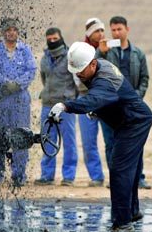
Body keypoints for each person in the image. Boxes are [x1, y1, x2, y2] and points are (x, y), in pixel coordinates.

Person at [49, 42, 152, 232]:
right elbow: (106, 100)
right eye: (76, 72)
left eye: (80, 71)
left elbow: (95, 98)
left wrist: (65, 106)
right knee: (130, 168)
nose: (78, 75)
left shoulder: (104, 77)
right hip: (128, 120)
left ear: (93, 64)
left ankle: (123, 226)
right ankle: (131, 212)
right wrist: (96, 110)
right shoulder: (98, 68)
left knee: (119, 168)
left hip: (134, 122)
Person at [34, 27, 104, 187]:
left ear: (61, 38)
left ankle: (68, 176)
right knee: (47, 139)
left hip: (66, 105)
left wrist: (72, 99)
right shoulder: (45, 58)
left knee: (69, 141)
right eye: (49, 38)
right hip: (48, 104)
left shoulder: (70, 57)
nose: (52, 41)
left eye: (55, 38)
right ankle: (47, 175)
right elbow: (43, 78)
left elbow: (77, 80)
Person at [97, 16, 151, 189]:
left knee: (135, 142)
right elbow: (95, 69)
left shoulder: (138, 53)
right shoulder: (106, 51)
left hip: (132, 106)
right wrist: (102, 52)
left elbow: (144, 78)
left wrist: (136, 97)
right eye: (113, 30)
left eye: (119, 29)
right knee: (111, 143)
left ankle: (138, 177)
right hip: (110, 105)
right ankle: (115, 178)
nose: (116, 33)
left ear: (127, 29)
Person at [0, 18, 36, 186]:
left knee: (20, 136)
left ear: (18, 32)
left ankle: (18, 175)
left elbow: (31, 70)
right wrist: (4, 83)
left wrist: (17, 84)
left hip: (20, 100)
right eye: (8, 29)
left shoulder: (25, 50)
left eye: (14, 29)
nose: (11, 32)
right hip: (0, 99)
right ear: (3, 32)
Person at [74, 18, 107, 186]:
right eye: (97, 31)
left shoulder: (109, 50)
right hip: (86, 97)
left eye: (102, 30)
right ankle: (96, 177)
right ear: (89, 33)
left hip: (106, 99)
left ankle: (117, 175)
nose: (101, 34)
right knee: (88, 141)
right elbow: (80, 79)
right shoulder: (80, 51)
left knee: (112, 140)